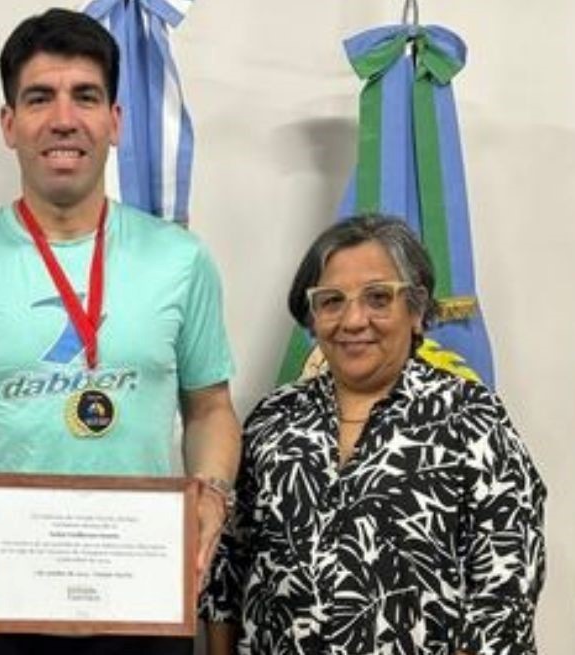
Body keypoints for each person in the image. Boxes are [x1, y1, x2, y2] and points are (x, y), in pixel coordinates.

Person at [0, 8, 241, 655]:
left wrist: (213, 495)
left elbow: (210, 409)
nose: (63, 118)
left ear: (116, 120)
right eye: (38, 97)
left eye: (85, 96)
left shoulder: (181, 260)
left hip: (144, 605)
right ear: (8, 124)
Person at [201, 215, 546, 655]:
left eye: (379, 298)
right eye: (331, 301)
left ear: (417, 311)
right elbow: (226, 573)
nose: (353, 319)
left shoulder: (472, 421)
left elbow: (506, 591)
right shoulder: (272, 420)